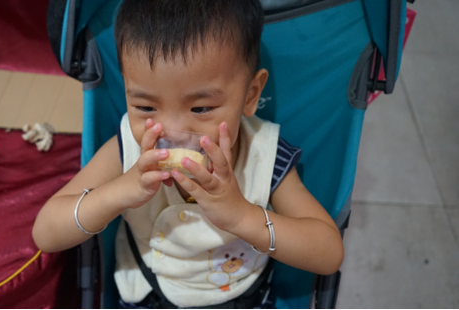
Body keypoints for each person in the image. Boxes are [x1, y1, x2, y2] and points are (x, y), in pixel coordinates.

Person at [33, 0, 344, 308]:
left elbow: (328, 253)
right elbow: (46, 233)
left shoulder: (263, 155)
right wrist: (121, 190)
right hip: (148, 293)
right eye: (146, 107)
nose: (173, 130)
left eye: (201, 108)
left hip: (240, 296)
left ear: (250, 95)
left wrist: (241, 215)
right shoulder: (126, 148)